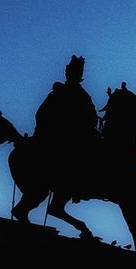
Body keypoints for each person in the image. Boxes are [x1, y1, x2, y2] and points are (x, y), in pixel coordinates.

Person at [34, 55, 100, 195]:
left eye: (78, 71)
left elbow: (92, 117)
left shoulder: (84, 95)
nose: (75, 73)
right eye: (72, 70)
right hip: (61, 135)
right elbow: (41, 114)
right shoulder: (58, 92)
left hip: (82, 132)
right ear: (68, 72)